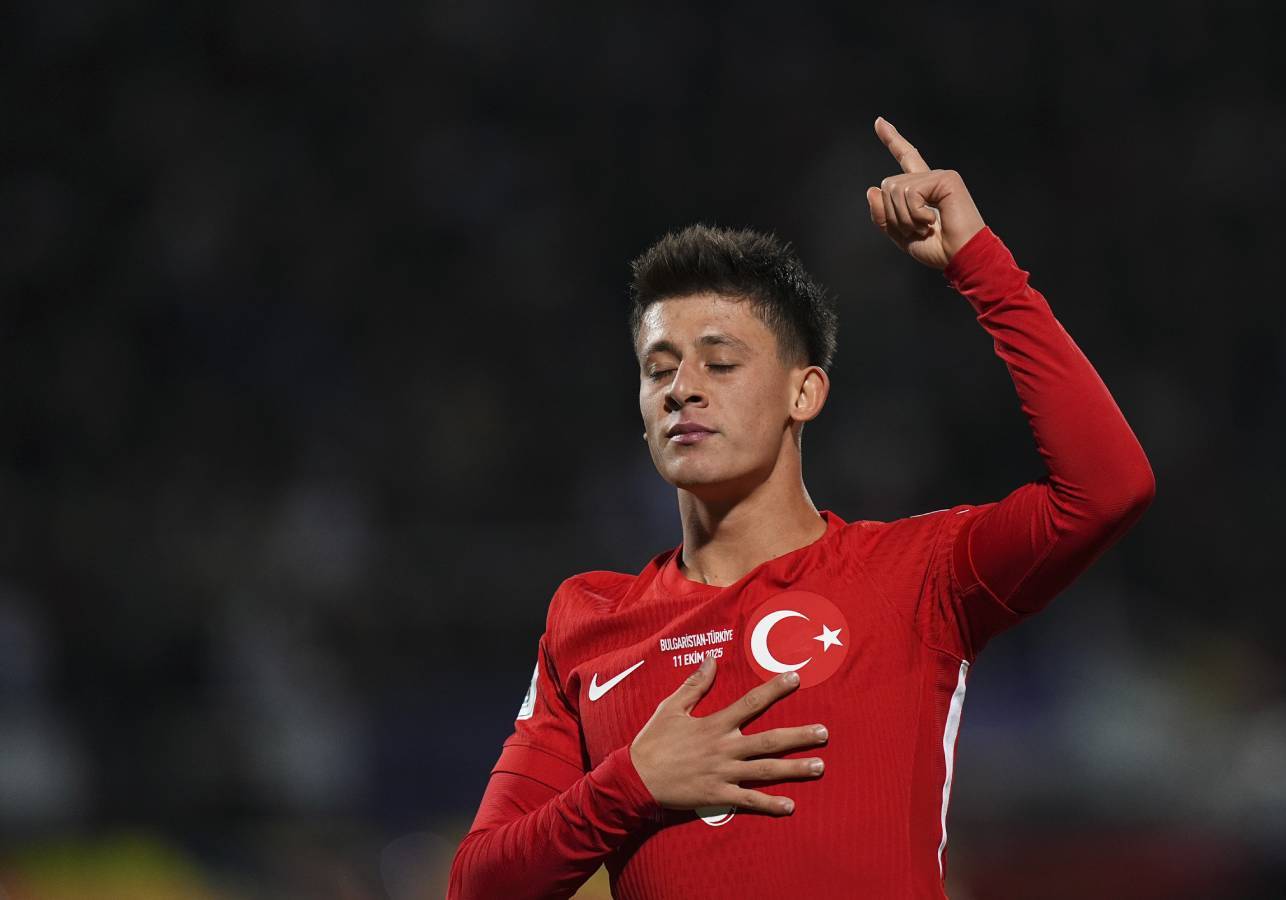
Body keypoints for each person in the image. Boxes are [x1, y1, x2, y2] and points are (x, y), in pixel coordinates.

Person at [448, 116, 1156, 899]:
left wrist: (982, 268)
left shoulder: (914, 577)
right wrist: (631, 783)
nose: (681, 388)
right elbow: (478, 886)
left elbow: (1107, 488)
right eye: (658, 369)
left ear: (805, 392)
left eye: (720, 362)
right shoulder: (587, 621)